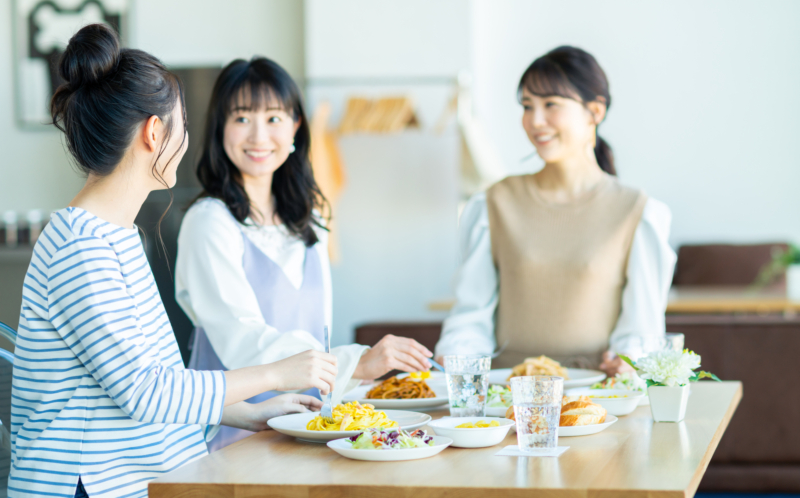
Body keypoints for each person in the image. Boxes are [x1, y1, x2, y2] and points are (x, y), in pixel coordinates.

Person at [9, 24, 337, 498]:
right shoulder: (77, 245)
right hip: (91, 486)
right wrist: (275, 373)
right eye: (183, 124)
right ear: (154, 132)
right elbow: (144, 392)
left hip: (145, 477)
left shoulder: (118, 235)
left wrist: (244, 411)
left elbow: (157, 379)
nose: (186, 139)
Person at [174, 57, 433, 451]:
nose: (259, 135)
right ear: (220, 129)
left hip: (306, 428)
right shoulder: (209, 222)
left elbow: (319, 332)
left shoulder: (310, 220)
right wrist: (356, 363)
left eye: (274, 118)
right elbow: (243, 340)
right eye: (242, 118)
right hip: (233, 438)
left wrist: (346, 379)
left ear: (296, 126)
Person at [435, 46, 677, 376]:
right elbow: (470, 316)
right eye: (526, 106)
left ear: (595, 111)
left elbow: (641, 331)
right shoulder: (493, 204)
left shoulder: (637, 211)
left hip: (595, 401)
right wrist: (456, 357)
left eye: (551, 104)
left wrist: (630, 360)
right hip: (506, 397)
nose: (535, 121)